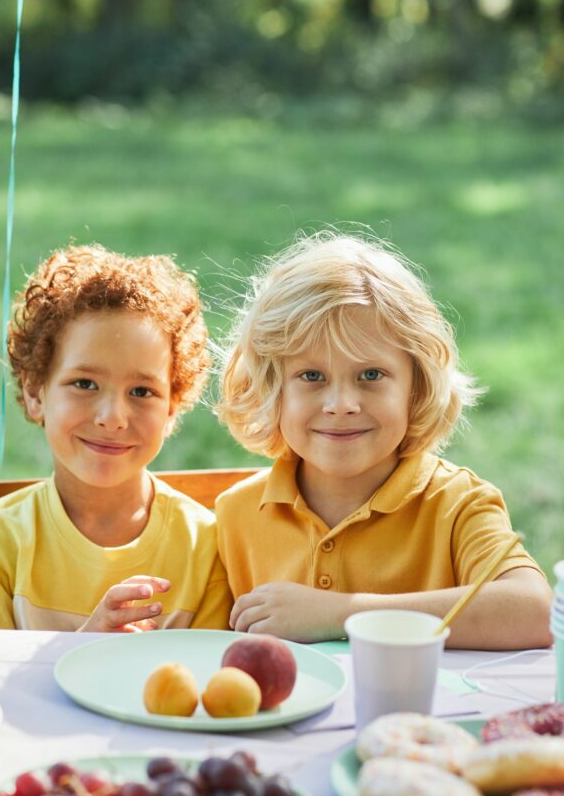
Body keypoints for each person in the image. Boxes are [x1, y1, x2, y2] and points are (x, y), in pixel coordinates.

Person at [214, 232, 552, 649]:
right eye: (312, 376)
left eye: (371, 375)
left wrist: (339, 612)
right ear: (272, 388)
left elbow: (532, 611)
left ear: (417, 387)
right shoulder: (235, 515)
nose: (341, 404)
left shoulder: (458, 503)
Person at [0, 244, 232, 631]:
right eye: (85, 383)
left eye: (142, 391)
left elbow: (211, 683)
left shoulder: (206, 549)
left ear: (173, 407)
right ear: (37, 394)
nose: (112, 418)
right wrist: (81, 650)